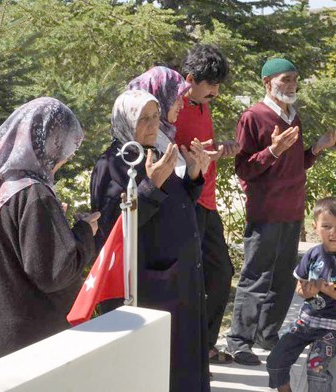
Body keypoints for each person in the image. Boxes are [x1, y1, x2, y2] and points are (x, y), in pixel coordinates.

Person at [90, 89, 213, 391]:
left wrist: (194, 177)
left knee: (186, 358)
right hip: (152, 286)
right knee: (162, 366)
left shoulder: (157, 150)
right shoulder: (112, 165)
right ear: (125, 121)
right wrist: (151, 185)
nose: (152, 124)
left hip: (181, 278)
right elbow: (114, 228)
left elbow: (178, 201)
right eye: (143, 118)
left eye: (155, 116)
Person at [0, 97, 99, 368]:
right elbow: (54, 271)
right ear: (49, 142)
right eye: (65, 145)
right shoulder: (33, 193)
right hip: (30, 343)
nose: (66, 157)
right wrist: (86, 231)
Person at [226, 58, 336, 366]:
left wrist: (315, 149)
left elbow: (297, 164)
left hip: (292, 209)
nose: (291, 85)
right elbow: (244, 169)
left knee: (284, 277)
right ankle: (239, 341)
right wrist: (273, 150)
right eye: (285, 79)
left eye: (294, 80)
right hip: (265, 211)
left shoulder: (293, 117)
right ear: (267, 82)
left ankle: (267, 334)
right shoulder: (253, 117)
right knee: (256, 277)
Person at [173, 43, 242, 365]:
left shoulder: (203, 104)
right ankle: (188, 352)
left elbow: (204, 148)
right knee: (190, 279)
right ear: (190, 79)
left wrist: (222, 149)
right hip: (187, 203)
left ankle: (205, 345)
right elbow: (170, 156)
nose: (216, 91)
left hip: (208, 202)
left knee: (221, 273)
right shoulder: (173, 107)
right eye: (211, 84)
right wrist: (198, 158)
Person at [265, 197, 336, 392]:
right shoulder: (312, 254)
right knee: (275, 360)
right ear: (315, 227)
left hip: (333, 327)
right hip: (306, 322)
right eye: (326, 226)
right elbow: (299, 288)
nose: (333, 232)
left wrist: (331, 291)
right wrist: (307, 292)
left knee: (316, 367)